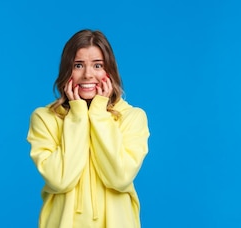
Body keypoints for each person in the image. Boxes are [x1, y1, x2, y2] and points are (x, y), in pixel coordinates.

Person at [26, 29, 150, 228]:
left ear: (109, 71)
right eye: (78, 65)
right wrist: (77, 116)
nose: (88, 74)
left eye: (98, 65)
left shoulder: (133, 117)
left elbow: (119, 178)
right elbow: (60, 180)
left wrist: (99, 114)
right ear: (67, 71)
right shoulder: (44, 118)